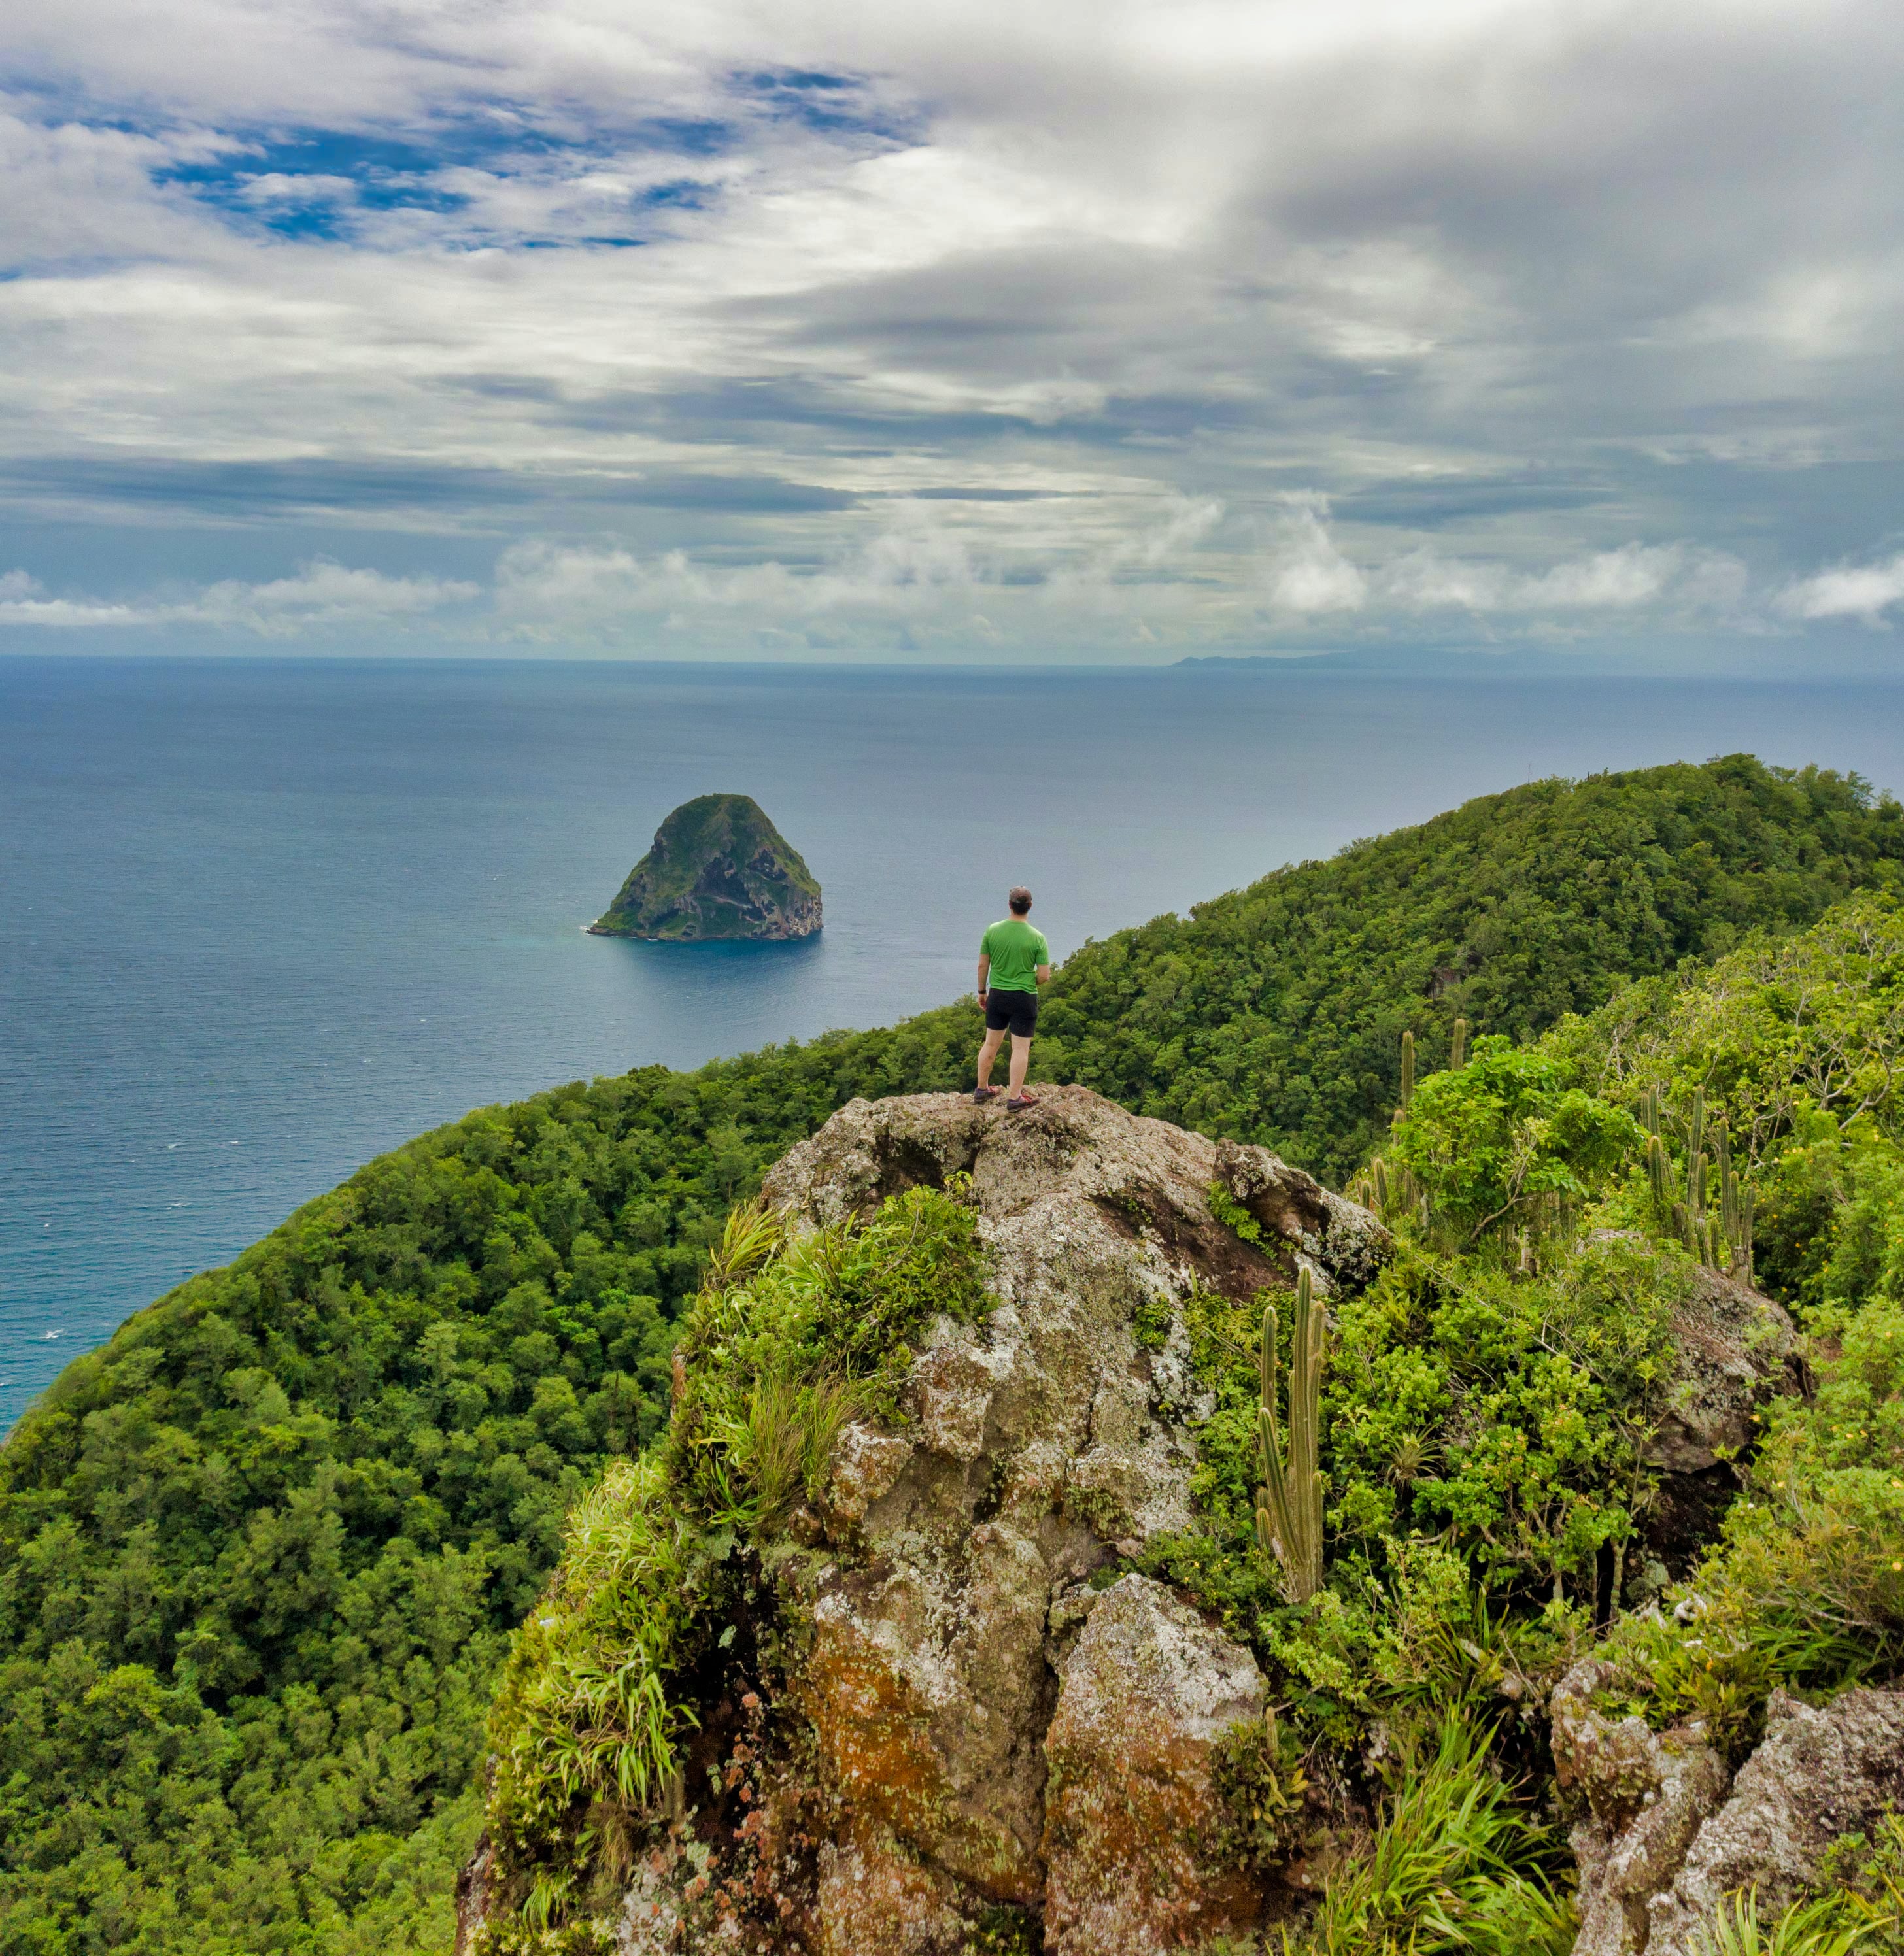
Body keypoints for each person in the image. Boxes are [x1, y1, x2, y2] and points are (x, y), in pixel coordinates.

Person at [974, 886, 1053, 1109]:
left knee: (991, 1043)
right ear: (1030, 906)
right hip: (1024, 998)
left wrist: (982, 992)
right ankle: (1015, 1097)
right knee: (1020, 1049)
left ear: (1009, 905)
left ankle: (982, 1089)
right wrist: (1028, 982)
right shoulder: (1038, 938)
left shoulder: (992, 931)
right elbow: (1045, 976)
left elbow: (982, 965)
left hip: (997, 996)